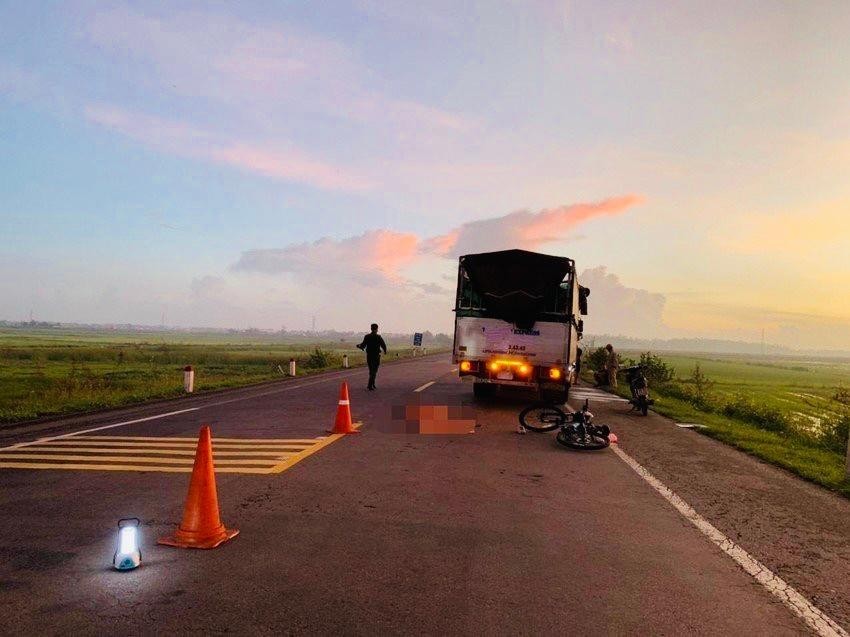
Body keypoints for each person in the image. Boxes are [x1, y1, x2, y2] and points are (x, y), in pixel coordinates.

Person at [357, 323, 388, 391]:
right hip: (376, 356)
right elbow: (383, 345)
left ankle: (372, 384)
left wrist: (359, 346)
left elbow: (363, 345)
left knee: (371, 370)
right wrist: (385, 351)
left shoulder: (367, 336)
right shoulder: (378, 337)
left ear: (371, 328)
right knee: (374, 371)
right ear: (377, 329)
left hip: (369, 356)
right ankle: (370, 385)